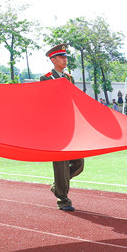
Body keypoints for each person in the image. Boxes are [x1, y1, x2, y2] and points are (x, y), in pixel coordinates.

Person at [40, 44, 84, 212]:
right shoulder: (45, 78)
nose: (65, 60)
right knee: (61, 164)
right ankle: (63, 199)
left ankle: (57, 186)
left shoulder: (69, 78)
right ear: (53, 60)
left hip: (70, 126)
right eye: (61, 57)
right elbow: (46, 102)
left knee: (79, 163)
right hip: (55, 127)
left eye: (66, 57)